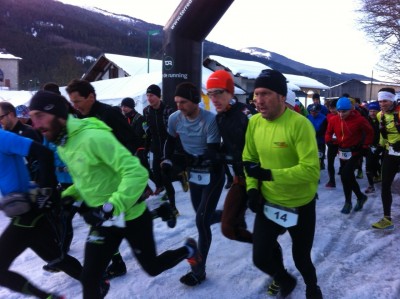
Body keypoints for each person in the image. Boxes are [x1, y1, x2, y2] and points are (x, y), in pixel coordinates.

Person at [28, 90, 201, 299]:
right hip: (105, 222)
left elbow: (136, 172)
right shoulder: (64, 143)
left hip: (130, 214)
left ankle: (188, 250)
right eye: (31, 118)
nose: (35, 125)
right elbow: (87, 179)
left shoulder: (93, 137)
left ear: (57, 114)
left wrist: (110, 207)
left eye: (39, 116)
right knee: (90, 280)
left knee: (153, 267)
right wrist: (69, 196)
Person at [243, 69, 322, 299]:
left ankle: (312, 286)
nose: (258, 100)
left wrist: (268, 175)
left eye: (265, 93)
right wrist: (251, 188)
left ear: (281, 96)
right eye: (256, 94)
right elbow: (249, 160)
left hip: (300, 204)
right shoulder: (254, 123)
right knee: (260, 256)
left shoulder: (300, 125)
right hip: (270, 202)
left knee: (302, 258)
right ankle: (284, 279)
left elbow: (310, 170)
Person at [0, 129, 84, 299]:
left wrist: (47, 191)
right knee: (57, 258)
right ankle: (97, 283)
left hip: (27, 212)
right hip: (24, 211)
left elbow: (43, 152)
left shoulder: (2, 137)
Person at [163, 82, 224, 286]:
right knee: (202, 214)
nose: (179, 106)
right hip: (195, 173)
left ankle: (199, 270)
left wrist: (196, 160)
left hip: (213, 173)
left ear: (195, 101)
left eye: (183, 102)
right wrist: (167, 159)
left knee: (201, 221)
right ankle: (228, 216)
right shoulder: (174, 118)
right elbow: (170, 142)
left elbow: (214, 152)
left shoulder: (209, 120)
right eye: (176, 102)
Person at [206, 69, 255, 245]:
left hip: (261, 178)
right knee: (228, 228)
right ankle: (264, 246)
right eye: (210, 94)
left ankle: (269, 249)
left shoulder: (246, 114)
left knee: (274, 228)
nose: (214, 99)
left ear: (230, 92)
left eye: (218, 93)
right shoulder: (220, 118)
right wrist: (213, 154)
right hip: (240, 179)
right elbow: (229, 146)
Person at [325, 97, 373, 214]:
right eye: (339, 111)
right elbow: (328, 132)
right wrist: (329, 140)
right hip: (342, 151)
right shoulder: (334, 119)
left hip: (355, 152)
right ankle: (352, 200)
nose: (341, 114)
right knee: (346, 176)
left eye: (344, 111)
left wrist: (365, 145)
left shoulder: (359, 119)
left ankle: (355, 199)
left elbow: (370, 131)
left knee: (345, 174)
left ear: (350, 110)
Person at [371, 88, 400, 230]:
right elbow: (383, 133)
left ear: (392, 100)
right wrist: (379, 147)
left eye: (385, 101)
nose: (382, 104)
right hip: (391, 153)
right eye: (380, 101)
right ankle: (387, 218)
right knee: (385, 184)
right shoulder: (379, 115)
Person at [0, 101, 43, 181]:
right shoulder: (5, 136)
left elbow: (41, 158)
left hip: (31, 184)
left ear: (11, 115)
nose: (0, 121)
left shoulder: (28, 132)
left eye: (1, 117)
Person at [364, 101, 383, 194]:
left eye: (375, 111)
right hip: (369, 146)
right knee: (368, 166)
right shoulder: (366, 120)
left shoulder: (382, 120)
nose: (372, 113)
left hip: (381, 146)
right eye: (370, 111)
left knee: (377, 163)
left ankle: (379, 175)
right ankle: (371, 185)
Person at [307, 104, 327, 170]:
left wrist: (311, 133)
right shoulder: (307, 117)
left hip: (320, 140)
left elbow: (323, 131)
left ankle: (321, 163)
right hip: (310, 140)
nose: (313, 113)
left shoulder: (324, 118)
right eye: (311, 111)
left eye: (315, 112)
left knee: (320, 155)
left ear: (319, 111)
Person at [325, 99, 339, 188]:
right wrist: (328, 140)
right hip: (332, 143)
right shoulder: (328, 116)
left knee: (344, 163)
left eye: (334, 108)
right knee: (330, 163)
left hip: (342, 143)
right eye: (330, 108)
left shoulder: (343, 115)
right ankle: (332, 180)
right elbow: (327, 130)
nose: (332, 110)